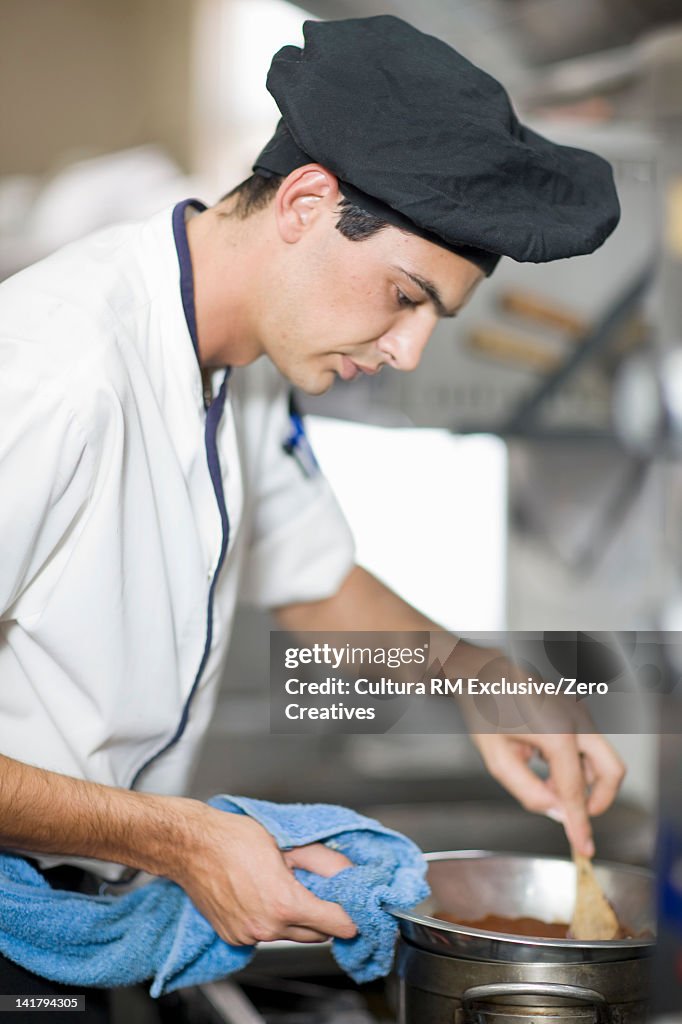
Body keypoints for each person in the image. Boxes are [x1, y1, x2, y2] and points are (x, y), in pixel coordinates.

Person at [0, 13, 624, 1008]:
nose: (407, 350)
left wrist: (476, 673)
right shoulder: (53, 372)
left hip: (87, 911)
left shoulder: (242, 360)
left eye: (434, 318)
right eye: (404, 295)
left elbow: (311, 579)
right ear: (305, 200)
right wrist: (183, 836)